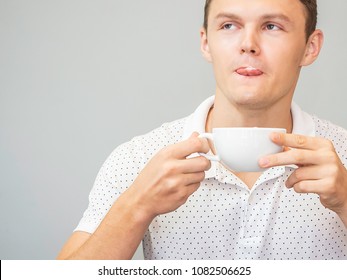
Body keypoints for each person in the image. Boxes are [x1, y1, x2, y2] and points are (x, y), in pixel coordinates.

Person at [57, 0, 347, 260]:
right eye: (229, 25)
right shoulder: (137, 159)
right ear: (206, 42)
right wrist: (136, 207)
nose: (248, 44)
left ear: (311, 47)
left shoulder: (342, 157)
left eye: (272, 26)